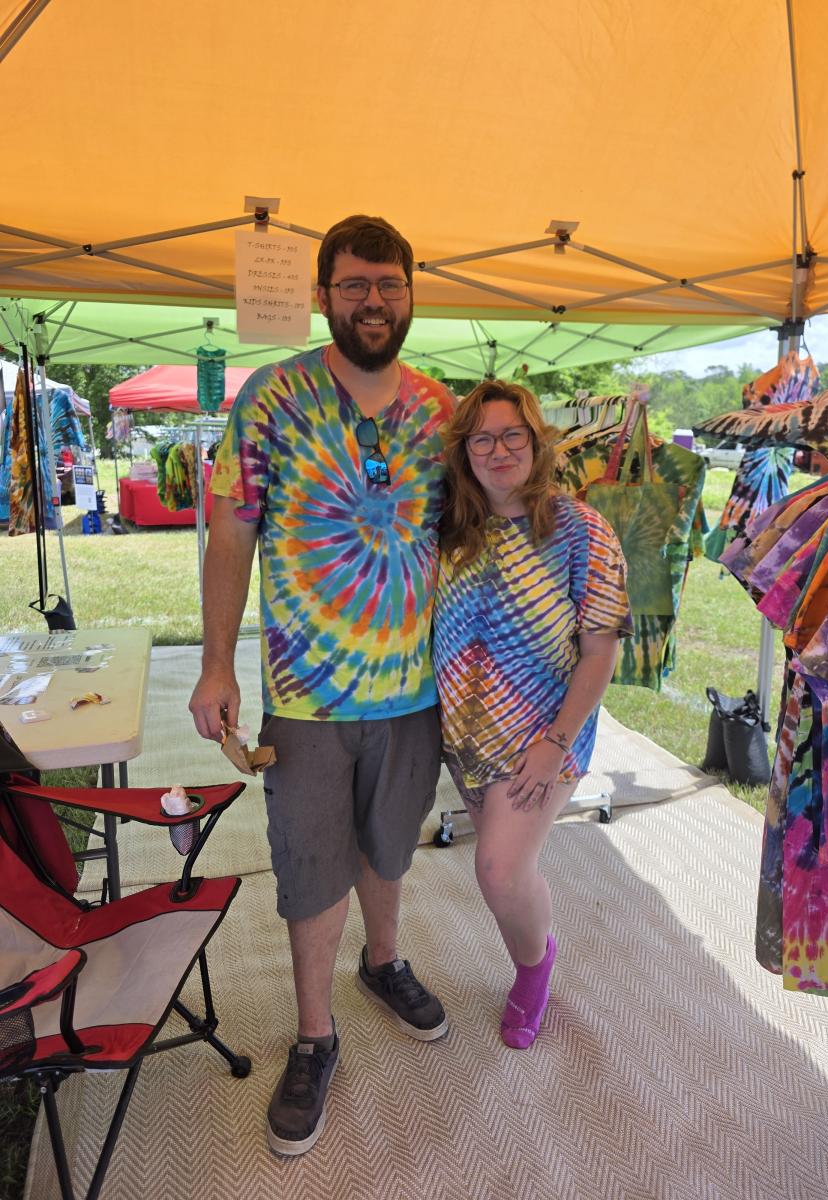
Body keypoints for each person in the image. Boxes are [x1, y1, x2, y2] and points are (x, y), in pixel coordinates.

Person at [189, 214, 456, 1156]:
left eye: (388, 284)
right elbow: (231, 534)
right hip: (306, 694)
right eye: (354, 285)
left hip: (415, 690)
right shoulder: (271, 397)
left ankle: (383, 963)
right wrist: (215, 663)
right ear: (322, 295)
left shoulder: (442, 412)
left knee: (390, 845)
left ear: (411, 294)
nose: (372, 301)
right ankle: (314, 1036)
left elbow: (481, 534)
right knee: (309, 863)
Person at [432, 381, 632, 1049]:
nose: (498, 450)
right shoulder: (450, 530)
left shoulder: (580, 530)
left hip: (543, 740)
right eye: (481, 438)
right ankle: (530, 952)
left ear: (537, 441)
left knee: (499, 870)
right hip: (463, 737)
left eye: (512, 434)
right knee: (503, 873)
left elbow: (600, 651)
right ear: (464, 452)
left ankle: (534, 967)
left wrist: (555, 743)